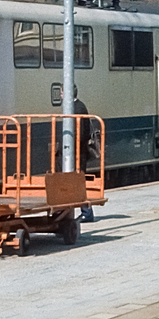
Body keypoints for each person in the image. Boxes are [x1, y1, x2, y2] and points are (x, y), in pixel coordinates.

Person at [72, 87, 95, 222]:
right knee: (76, 182)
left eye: (62, 92)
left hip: (78, 153)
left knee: (79, 181)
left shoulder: (78, 108)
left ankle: (87, 212)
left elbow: (80, 134)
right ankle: (86, 211)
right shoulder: (77, 106)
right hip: (77, 152)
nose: (61, 95)